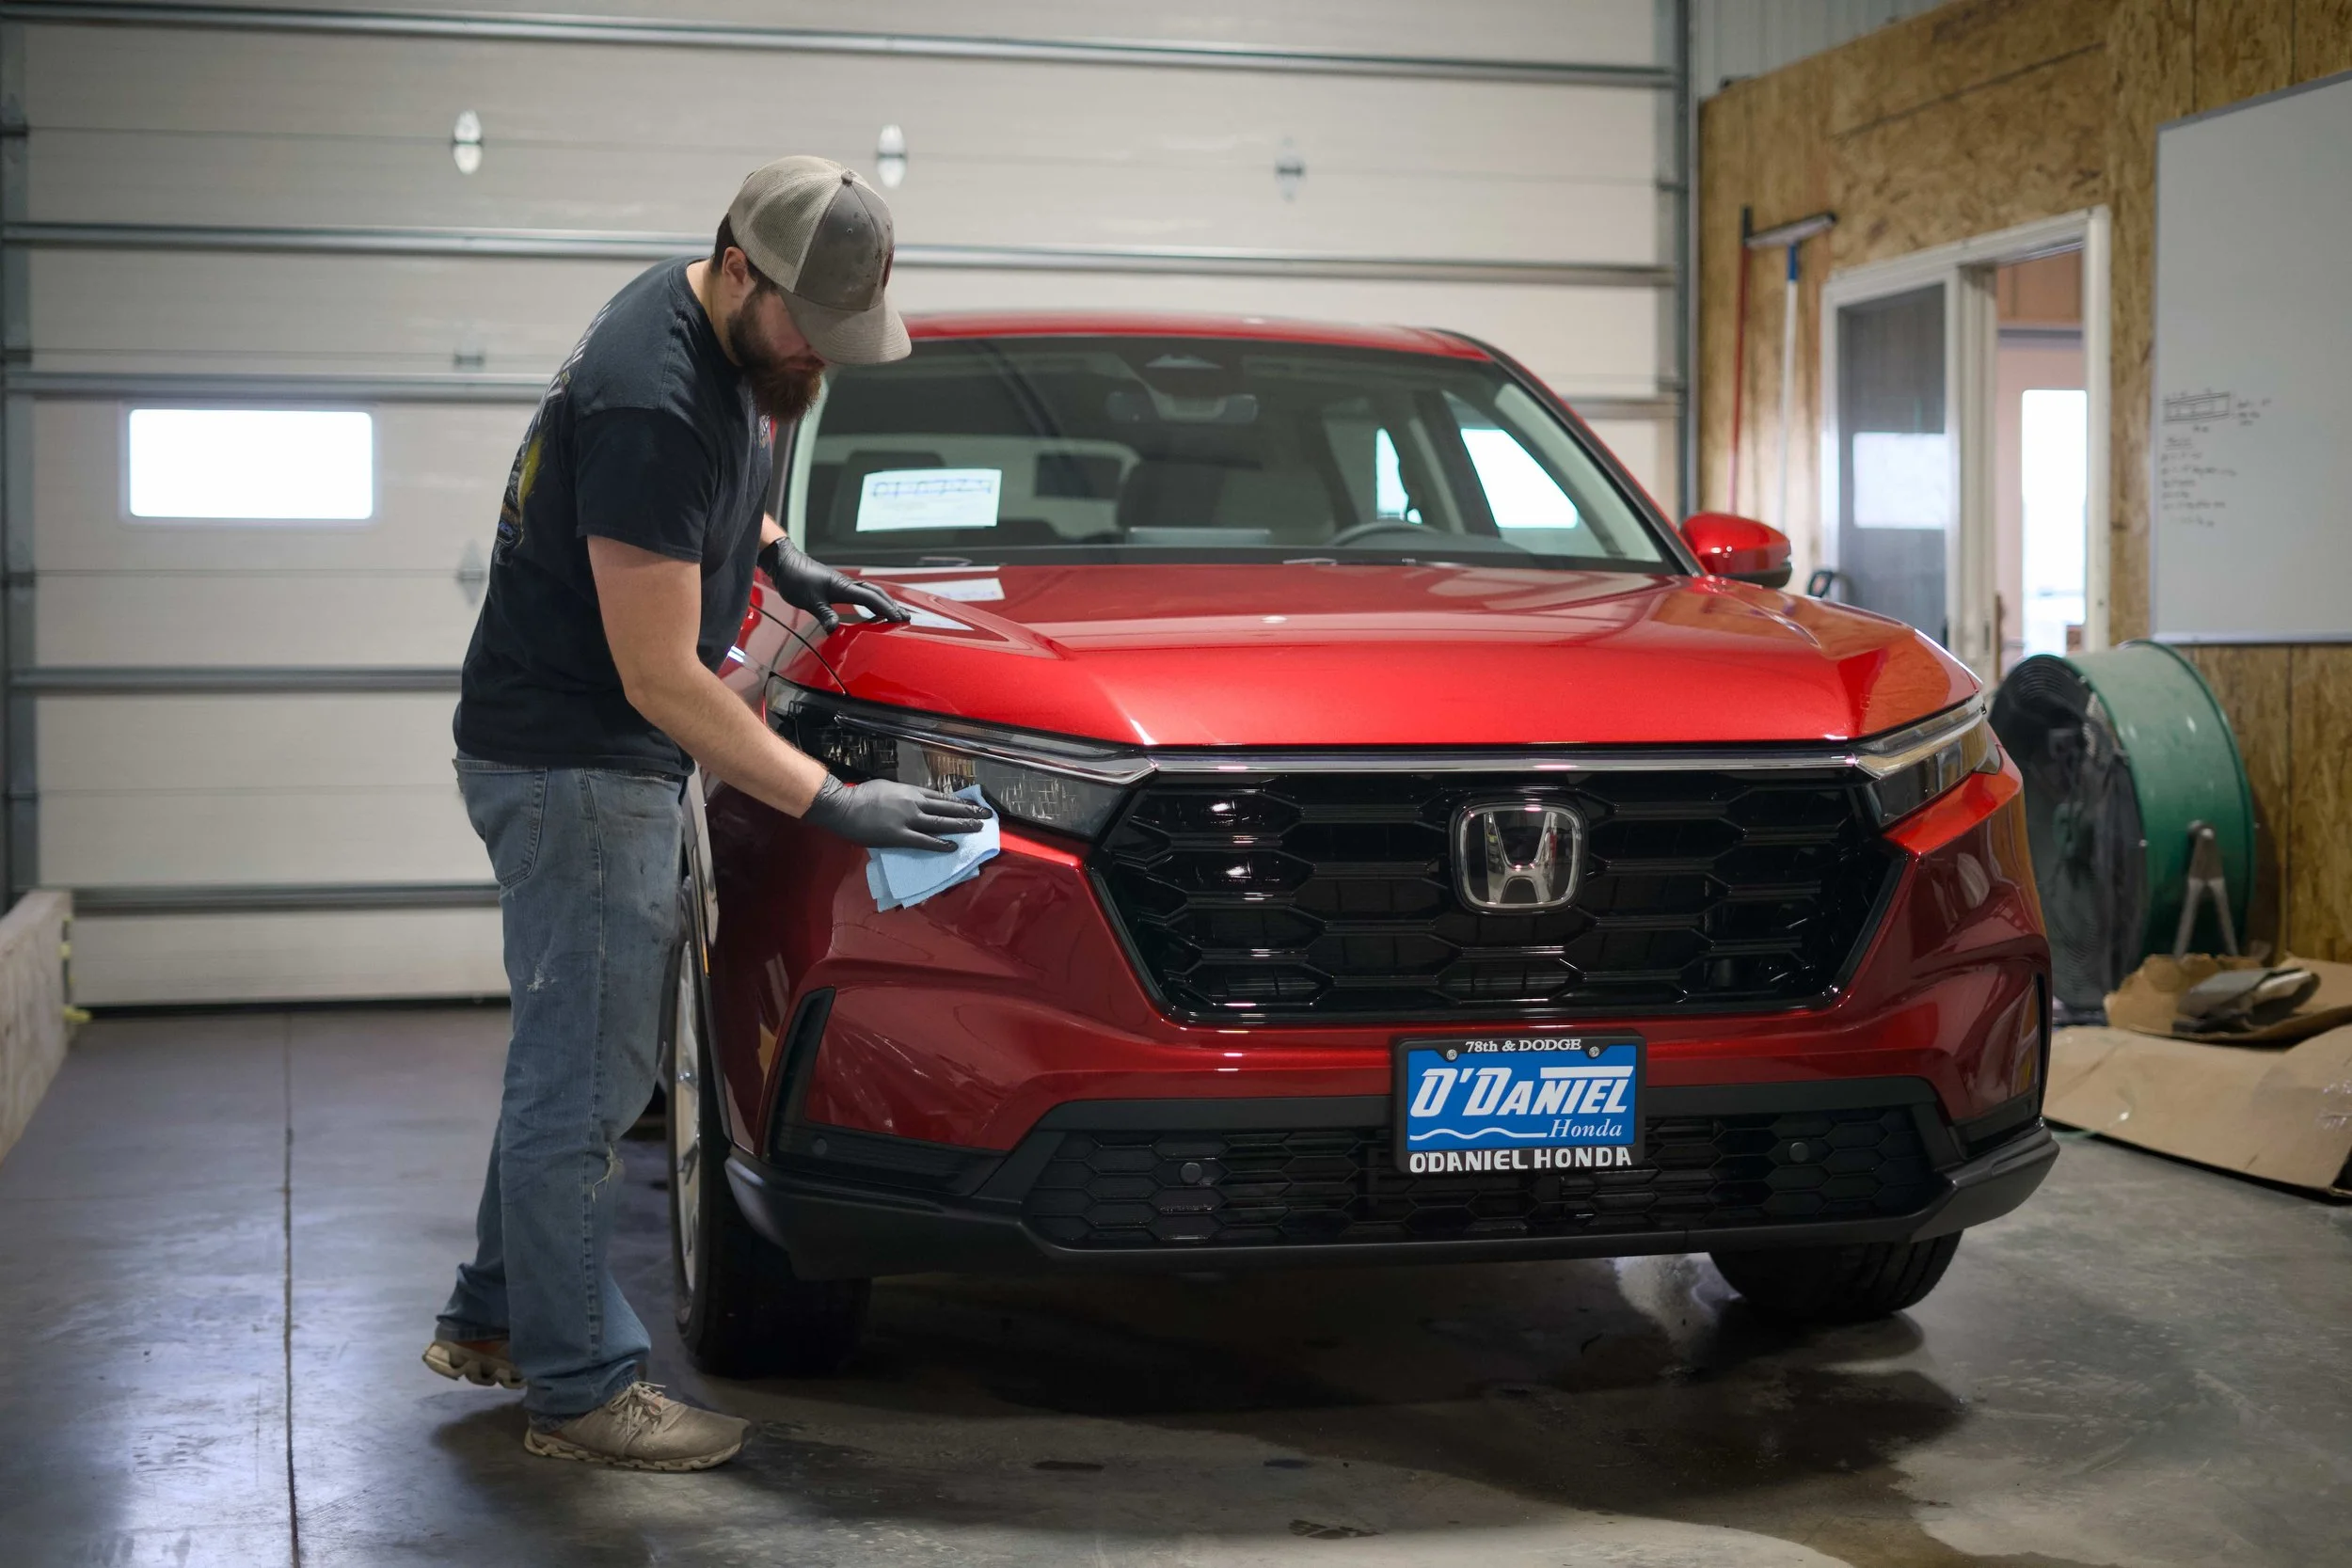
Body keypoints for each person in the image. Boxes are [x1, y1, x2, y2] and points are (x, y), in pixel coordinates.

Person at [420, 155, 988, 1471]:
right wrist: (834, 799)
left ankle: (502, 1314)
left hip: (585, 748)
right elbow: (661, 673)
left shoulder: (725, 343)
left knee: (563, 1055)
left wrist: (772, 545)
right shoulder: (650, 394)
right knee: (595, 1079)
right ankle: (579, 1391)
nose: (821, 358)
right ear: (741, 265)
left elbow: (712, 475)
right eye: (811, 328)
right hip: (577, 765)